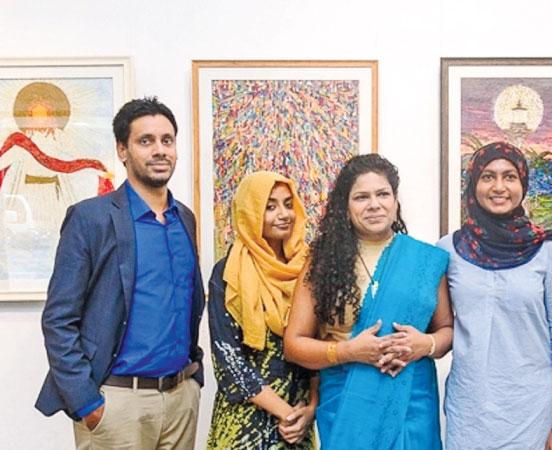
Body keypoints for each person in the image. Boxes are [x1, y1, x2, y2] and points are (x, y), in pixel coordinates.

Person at [35, 97, 206, 450]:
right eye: (146, 141)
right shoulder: (91, 218)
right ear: (122, 150)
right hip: (117, 404)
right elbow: (58, 318)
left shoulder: (184, 219)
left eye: (167, 140)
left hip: (179, 400)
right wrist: (87, 402)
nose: (160, 150)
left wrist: (193, 380)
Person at [284, 154, 453, 449]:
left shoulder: (424, 260)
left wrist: (424, 345)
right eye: (361, 197)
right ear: (345, 207)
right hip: (347, 405)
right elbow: (294, 344)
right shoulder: (323, 263)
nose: (374, 204)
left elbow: (447, 331)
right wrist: (347, 351)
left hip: (412, 404)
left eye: (383, 194)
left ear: (395, 200)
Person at [438, 141, 552, 450]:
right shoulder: (449, 250)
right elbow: (441, 331)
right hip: (468, 414)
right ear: (473, 184)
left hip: (532, 415)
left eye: (509, 177)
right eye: (488, 176)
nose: (499, 186)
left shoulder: (549, 251)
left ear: (522, 184)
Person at [207, 171, 317, 449]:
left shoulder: (310, 267)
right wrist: (286, 413)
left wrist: (311, 408)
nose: (283, 214)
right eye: (270, 206)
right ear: (250, 211)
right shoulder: (228, 271)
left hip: (298, 423)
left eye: (288, 204)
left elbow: (324, 343)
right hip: (244, 425)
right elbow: (229, 361)